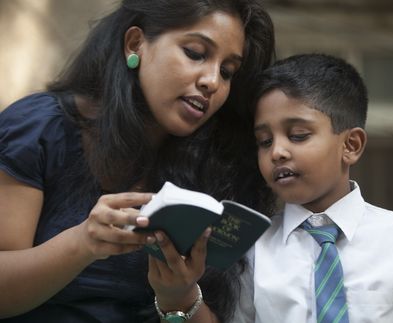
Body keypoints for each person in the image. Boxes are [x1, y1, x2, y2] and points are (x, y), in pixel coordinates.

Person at [0, 0, 275, 322]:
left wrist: (180, 295)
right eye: (196, 53)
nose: (212, 81)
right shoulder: (39, 128)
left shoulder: (215, 168)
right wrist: (83, 242)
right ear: (136, 43)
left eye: (227, 71)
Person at [233, 53, 393, 322]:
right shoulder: (253, 249)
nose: (277, 152)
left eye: (298, 135)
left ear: (351, 145)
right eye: (264, 141)